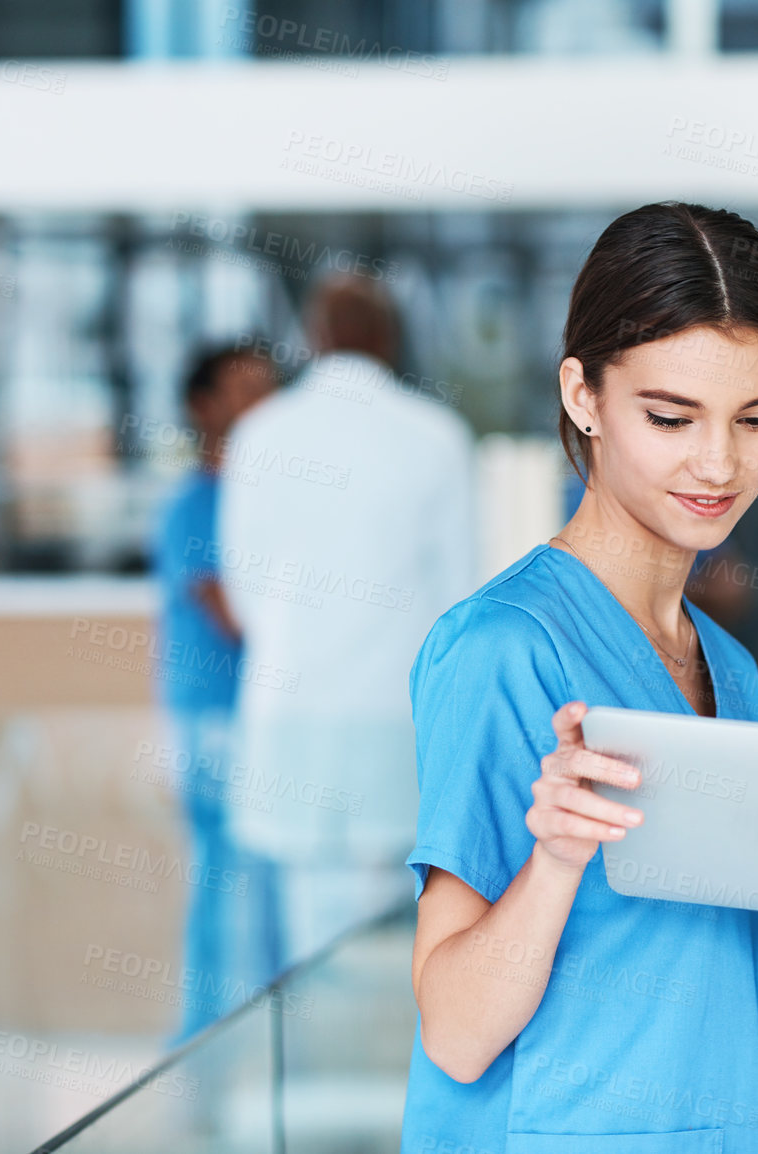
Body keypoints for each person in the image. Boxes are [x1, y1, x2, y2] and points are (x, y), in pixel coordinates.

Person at [402, 202, 758, 1153]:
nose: (720, 462)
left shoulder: (732, 671)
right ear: (582, 395)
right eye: (671, 417)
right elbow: (455, 1033)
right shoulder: (503, 649)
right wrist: (556, 860)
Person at [216, 275, 476, 965]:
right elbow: (459, 596)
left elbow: (242, 583)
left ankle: (315, 1065)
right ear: (390, 340)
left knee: (305, 924)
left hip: (289, 704)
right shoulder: (436, 435)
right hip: (394, 711)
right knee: (396, 923)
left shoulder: (260, 433)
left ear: (315, 339)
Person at [149, 343, 279, 1040]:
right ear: (203, 407)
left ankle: (270, 1039)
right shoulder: (195, 506)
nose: (264, 399)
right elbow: (235, 616)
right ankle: (199, 1039)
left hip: (260, 723)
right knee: (222, 882)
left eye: (269, 384)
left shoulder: (262, 496)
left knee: (268, 885)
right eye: (244, 387)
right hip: (212, 725)